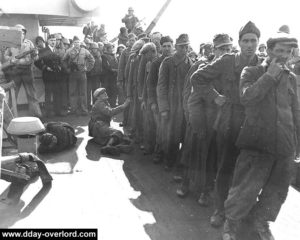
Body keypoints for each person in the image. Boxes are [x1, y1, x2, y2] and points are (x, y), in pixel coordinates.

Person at [222, 30, 300, 240]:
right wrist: (269, 76)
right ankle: (232, 224)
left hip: (283, 144)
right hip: (257, 142)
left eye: (287, 51)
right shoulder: (252, 71)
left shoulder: (291, 78)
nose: (283, 55)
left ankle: (260, 221)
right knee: (245, 188)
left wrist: (297, 144)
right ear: (270, 50)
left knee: (277, 191)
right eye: (279, 50)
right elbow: (246, 98)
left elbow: (296, 112)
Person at [190, 21, 262, 228]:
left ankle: (239, 212)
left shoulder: (261, 63)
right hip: (228, 123)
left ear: (258, 42)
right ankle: (219, 210)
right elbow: (198, 78)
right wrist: (215, 97)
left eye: (253, 41)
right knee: (225, 168)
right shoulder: (227, 61)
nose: (250, 44)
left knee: (248, 171)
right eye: (246, 41)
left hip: (252, 125)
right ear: (239, 43)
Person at [177, 34, 233, 204]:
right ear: (214, 50)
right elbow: (190, 96)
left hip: (219, 123)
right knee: (192, 153)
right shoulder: (202, 67)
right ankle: (186, 184)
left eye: (228, 49)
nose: (225, 52)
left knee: (212, 158)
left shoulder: (231, 70)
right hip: (199, 119)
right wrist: (194, 121)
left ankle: (206, 190)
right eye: (221, 48)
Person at [157, 33, 193, 170]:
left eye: (186, 46)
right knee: (171, 134)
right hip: (172, 105)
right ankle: (169, 160)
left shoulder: (191, 63)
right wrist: (164, 108)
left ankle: (180, 163)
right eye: (181, 46)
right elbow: (161, 86)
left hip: (185, 105)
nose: (184, 49)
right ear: (176, 47)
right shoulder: (167, 62)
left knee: (184, 134)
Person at [3, 24, 42, 118]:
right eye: (19, 32)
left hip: (27, 71)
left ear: (25, 33)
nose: (21, 34)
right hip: (15, 71)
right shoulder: (10, 43)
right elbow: (5, 57)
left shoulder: (29, 43)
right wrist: (14, 59)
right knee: (13, 95)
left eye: (23, 32)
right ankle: (9, 117)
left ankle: (36, 116)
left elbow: (36, 58)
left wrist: (35, 55)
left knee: (31, 94)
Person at [147, 35, 174, 163]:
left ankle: (169, 154)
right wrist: (152, 102)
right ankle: (159, 153)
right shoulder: (156, 63)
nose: (167, 48)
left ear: (173, 46)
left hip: (173, 103)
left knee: (171, 130)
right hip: (159, 102)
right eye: (164, 46)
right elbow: (151, 84)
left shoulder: (175, 62)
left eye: (169, 46)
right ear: (160, 48)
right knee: (161, 129)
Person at [88, 88, 132, 155]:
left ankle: (114, 146)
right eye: (103, 93)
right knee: (117, 133)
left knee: (123, 138)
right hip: (98, 127)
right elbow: (110, 112)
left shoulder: (103, 102)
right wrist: (124, 106)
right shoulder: (99, 103)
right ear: (99, 97)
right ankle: (108, 146)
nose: (105, 94)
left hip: (99, 127)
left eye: (105, 92)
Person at [62, 36, 95, 116]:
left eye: (78, 42)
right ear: (73, 43)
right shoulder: (69, 51)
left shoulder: (85, 51)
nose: (77, 44)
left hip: (82, 73)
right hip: (73, 73)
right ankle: (73, 109)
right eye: (75, 42)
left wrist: (87, 68)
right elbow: (63, 60)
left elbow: (92, 60)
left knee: (83, 92)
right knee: (72, 92)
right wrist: (67, 69)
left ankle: (84, 109)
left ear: (80, 43)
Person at [35, 34, 64, 117]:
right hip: (48, 75)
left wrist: (60, 66)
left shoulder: (57, 50)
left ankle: (57, 111)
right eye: (51, 40)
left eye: (54, 40)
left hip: (57, 75)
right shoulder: (43, 51)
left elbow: (60, 61)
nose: (53, 42)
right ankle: (48, 112)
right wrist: (45, 67)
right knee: (48, 94)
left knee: (57, 93)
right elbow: (36, 62)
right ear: (47, 41)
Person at [117, 33, 137, 127]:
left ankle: (132, 122)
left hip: (135, 80)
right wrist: (120, 80)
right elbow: (121, 67)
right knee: (126, 100)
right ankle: (125, 121)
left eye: (133, 40)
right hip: (126, 80)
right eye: (130, 40)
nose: (132, 42)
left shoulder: (139, 51)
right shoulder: (125, 52)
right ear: (127, 41)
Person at [101, 43, 118, 107]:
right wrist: (114, 70)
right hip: (107, 76)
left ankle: (113, 104)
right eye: (110, 48)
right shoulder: (104, 56)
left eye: (112, 48)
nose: (112, 49)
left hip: (113, 76)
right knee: (107, 91)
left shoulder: (114, 55)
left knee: (114, 91)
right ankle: (107, 105)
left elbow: (116, 64)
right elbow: (106, 66)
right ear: (107, 49)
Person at [87, 42, 102, 110]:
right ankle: (88, 106)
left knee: (96, 91)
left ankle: (95, 106)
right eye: (92, 48)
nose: (94, 50)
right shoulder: (89, 55)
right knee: (88, 91)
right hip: (89, 75)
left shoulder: (100, 55)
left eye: (95, 48)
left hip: (97, 76)